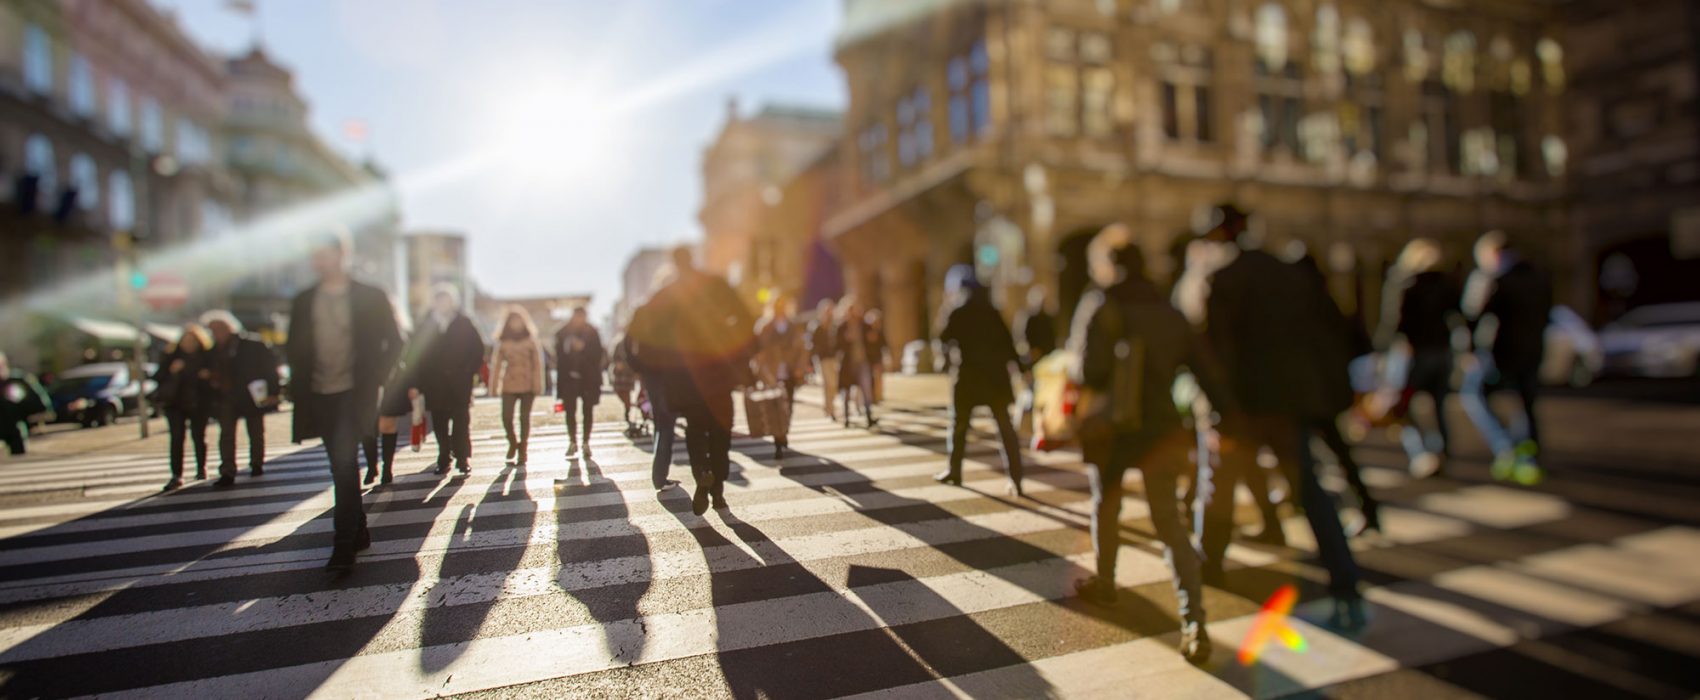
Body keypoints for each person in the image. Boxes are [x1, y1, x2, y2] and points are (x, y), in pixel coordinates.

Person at [1190, 203, 1364, 627]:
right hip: (1290, 401)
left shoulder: (1222, 279)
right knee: (1310, 491)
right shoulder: (1289, 274)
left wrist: (1218, 405)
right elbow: (1324, 332)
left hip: (1241, 405)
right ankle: (1345, 580)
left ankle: (1209, 566)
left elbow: (1214, 351)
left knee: (1219, 487)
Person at [1067, 224, 1234, 665]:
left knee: (1106, 503)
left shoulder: (1100, 303)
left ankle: (1105, 581)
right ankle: (1194, 620)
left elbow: (1088, 372)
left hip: (1114, 429)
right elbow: (1203, 367)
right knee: (1169, 524)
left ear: (1108, 265)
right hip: (1162, 427)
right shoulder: (1169, 309)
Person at [285, 233, 403, 574]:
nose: (319, 261)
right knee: (343, 465)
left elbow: (395, 342)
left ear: (342, 254)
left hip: (356, 392)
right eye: (314, 255)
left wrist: (377, 378)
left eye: (324, 254)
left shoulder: (370, 295)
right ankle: (360, 529)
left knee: (344, 465)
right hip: (320, 393)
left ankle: (343, 544)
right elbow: (294, 347)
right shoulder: (304, 300)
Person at [629, 246, 754, 515]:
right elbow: (745, 318)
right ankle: (718, 490)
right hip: (717, 369)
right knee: (721, 429)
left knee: (696, 430)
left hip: (682, 375)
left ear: (674, 263)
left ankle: (702, 475)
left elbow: (638, 332)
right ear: (692, 259)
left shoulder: (664, 295)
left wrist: (651, 366)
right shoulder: (715, 285)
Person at [1460, 231, 1552, 485]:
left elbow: (1473, 315)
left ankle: (1505, 446)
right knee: (1526, 404)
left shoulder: (1493, 278)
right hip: (1532, 349)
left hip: (1499, 351)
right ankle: (1527, 457)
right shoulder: (1537, 276)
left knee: (1472, 394)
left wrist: (1469, 350)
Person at [934, 265, 1025, 496]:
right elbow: (1008, 344)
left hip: (967, 376)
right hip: (995, 378)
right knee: (1005, 427)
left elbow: (943, 337)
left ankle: (954, 471)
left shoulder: (957, 310)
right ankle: (1016, 478)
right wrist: (1021, 369)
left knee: (959, 426)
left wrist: (946, 308)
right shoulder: (992, 310)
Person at [1375, 238, 1463, 478]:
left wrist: (1382, 351)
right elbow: (1458, 317)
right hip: (1441, 351)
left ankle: (1422, 453)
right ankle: (1441, 451)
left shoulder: (1404, 283)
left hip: (1412, 352)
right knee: (1438, 406)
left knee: (1402, 406)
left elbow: (1394, 321)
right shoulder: (1446, 284)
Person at [410, 285, 485, 476]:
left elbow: (478, 349)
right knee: (440, 423)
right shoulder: (426, 324)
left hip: (460, 382)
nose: (443, 304)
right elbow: (416, 355)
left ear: (453, 302)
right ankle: (444, 457)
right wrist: (418, 383)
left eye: (446, 300)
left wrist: (468, 372)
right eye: (439, 300)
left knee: (461, 421)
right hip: (434, 384)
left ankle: (462, 458)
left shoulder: (464, 322)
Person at [202, 311, 280, 487]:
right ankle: (228, 470)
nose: (215, 333)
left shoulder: (251, 344)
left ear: (229, 328)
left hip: (251, 394)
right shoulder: (213, 350)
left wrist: (273, 392)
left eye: (218, 329)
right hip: (226, 397)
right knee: (227, 434)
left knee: (256, 431)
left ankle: (257, 463)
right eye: (212, 330)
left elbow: (270, 368)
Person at [627, 268, 682, 492]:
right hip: (671, 373)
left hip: (653, 373)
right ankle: (660, 477)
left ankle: (660, 475)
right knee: (667, 422)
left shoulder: (644, 309)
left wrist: (639, 368)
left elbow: (627, 342)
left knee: (663, 421)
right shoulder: (678, 310)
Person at [155, 324, 216, 490]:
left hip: (199, 403)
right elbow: (158, 377)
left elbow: (216, 378)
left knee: (199, 436)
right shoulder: (171, 356)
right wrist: (173, 371)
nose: (189, 344)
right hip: (175, 404)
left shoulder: (206, 357)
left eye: (192, 340)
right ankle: (176, 475)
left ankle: (201, 467)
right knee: (176, 438)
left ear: (199, 341)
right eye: (185, 340)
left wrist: (207, 376)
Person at [753, 295, 807, 459]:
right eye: (777, 305)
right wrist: (761, 371)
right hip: (772, 372)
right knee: (775, 407)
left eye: (783, 305)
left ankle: (784, 431)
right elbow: (759, 350)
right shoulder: (765, 326)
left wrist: (800, 367)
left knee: (788, 405)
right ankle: (778, 439)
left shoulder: (793, 325)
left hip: (790, 371)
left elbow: (802, 348)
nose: (780, 308)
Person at [491, 307, 546, 466]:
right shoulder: (502, 341)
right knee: (506, 417)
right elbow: (496, 365)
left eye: (519, 320)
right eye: (513, 320)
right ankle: (513, 442)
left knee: (524, 418)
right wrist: (493, 387)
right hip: (509, 384)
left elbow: (537, 364)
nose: (516, 324)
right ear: (508, 323)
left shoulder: (531, 340)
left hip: (528, 384)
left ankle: (523, 449)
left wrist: (538, 384)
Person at [554, 306, 605, 459]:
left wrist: (583, 348)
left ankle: (585, 442)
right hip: (569, 378)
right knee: (570, 411)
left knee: (587, 410)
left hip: (588, 378)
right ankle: (572, 441)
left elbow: (599, 354)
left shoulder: (592, 332)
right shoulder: (562, 333)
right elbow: (558, 356)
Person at [836, 298, 883, 429]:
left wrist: (875, 359)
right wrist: (845, 339)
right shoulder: (841, 327)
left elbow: (874, 342)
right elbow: (836, 345)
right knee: (846, 392)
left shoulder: (864, 325)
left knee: (866, 389)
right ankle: (846, 418)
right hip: (847, 364)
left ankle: (869, 416)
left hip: (863, 362)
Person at [1, 352, 52, 456]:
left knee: (18, 454)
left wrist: (38, 415)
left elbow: (36, 401)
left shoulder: (16, 380)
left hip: (14, 426)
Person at [807, 299, 840, 421]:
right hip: (823, 359)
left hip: (835, 358)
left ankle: (829, 408)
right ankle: (830, 410)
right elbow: (812, 345)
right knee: (828, 384)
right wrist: (810, 362)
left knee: (834, 384)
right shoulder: (817, 326)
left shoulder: (835, 326)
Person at [1016, 286, 1059, 365]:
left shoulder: (1047, 317)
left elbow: (1051, 335)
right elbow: (1025, 336)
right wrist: (1032, 349)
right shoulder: (1029, 319)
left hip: (1048, 354)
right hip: (1036, 354)